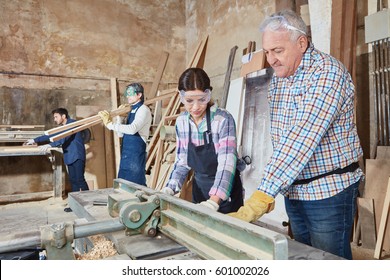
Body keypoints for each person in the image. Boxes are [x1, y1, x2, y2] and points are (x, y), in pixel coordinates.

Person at [228, 10, 364, 260]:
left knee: (328, 261)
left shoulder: (326, 74)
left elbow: (300, 139)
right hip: (294, 191)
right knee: (303, 258)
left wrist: (262, 196)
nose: (271, 59)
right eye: (267, 52)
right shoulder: (281, 77)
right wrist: (275, 187)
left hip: (328, 191)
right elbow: (281, 136)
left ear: (301, 43)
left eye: (277, 50)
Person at [161, 68, 244, 214]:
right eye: (189, 101)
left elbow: (227, 163)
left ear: (208, 94)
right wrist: (170, 188)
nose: (195, 107)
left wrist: (214, 201)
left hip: (225, 190)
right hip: (199, 188)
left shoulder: (222, 119)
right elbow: (182, 161)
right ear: (181, 97)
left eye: (201, 100)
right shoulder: (182, 122)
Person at [24, 108, 89, 212]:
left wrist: (50, 144)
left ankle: (89, 202)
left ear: (63, 116)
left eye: (56, 117)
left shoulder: (72, 124)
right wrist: (34, 140)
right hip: (70, 157)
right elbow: (51, 135)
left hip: (77, 155)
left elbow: (63, 138)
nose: (54, 119)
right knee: (73, 181)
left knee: (80, 180)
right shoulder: (63, 127)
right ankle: (75, 205)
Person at [98, 83, 152, 186]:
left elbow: (132, 129)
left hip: (136, 155)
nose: (127, 96)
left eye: (130, 93)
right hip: (126, 155)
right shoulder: (131, 110)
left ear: (139, 95)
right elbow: (121, 134)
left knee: (136, 186)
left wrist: (110, 124)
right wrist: (120, 117)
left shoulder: (143, 110)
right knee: (123, 185)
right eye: (127, 94)